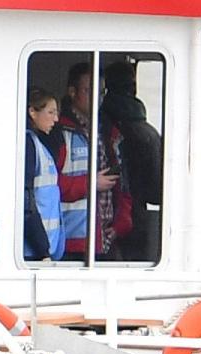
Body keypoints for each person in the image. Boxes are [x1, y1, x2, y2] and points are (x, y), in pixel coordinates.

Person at [55, 62, 131, 261]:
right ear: (72, 92)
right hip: (72, 241)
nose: (97, 98)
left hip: (106, 239)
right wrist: (90, 184)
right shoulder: (59, 134)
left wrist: (121, 225)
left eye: (101, 92)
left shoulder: (110, 131)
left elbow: (124, 184)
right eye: (90, 90)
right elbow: (48, 186)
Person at [102, 61, 163, 261]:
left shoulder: (99, 127)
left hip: (102, 215)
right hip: (137, 217)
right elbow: (157, 191)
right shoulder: (149, 134)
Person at [23, 88, 65, 261]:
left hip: (44, 247)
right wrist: (42, 249)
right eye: (50, 112)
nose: (56, 119)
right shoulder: (29, 145)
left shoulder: (38, 144)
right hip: (33, 250)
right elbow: (26, 200)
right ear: (32, 112)